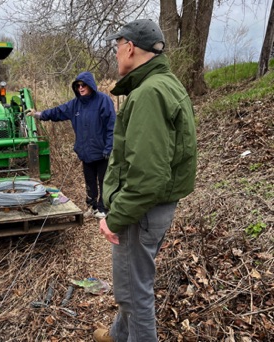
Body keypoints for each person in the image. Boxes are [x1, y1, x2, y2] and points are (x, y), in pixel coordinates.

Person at [94, 19, 197, 342]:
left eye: (116, 47)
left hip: (143, 211)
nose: (116, 53)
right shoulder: (164, 83)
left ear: (130, 47)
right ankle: (117, 335)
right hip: (155, 207)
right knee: (134, 282)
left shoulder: (150, 93)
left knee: (132, 293)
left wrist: (116, 217)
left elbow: (147, 176)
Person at [27, 71, 116, 219]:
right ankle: (92, 206)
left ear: (91, 85)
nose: (80, 88)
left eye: (83, 85)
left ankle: (103, 209)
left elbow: (112, 125)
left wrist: (109, 147)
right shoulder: (75, 104)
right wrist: (38, 114)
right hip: (85, 153)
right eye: (78, 86)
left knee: (104, 181)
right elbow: (57, 112)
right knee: (90, 182)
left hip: (102, 152)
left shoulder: (103, 101)